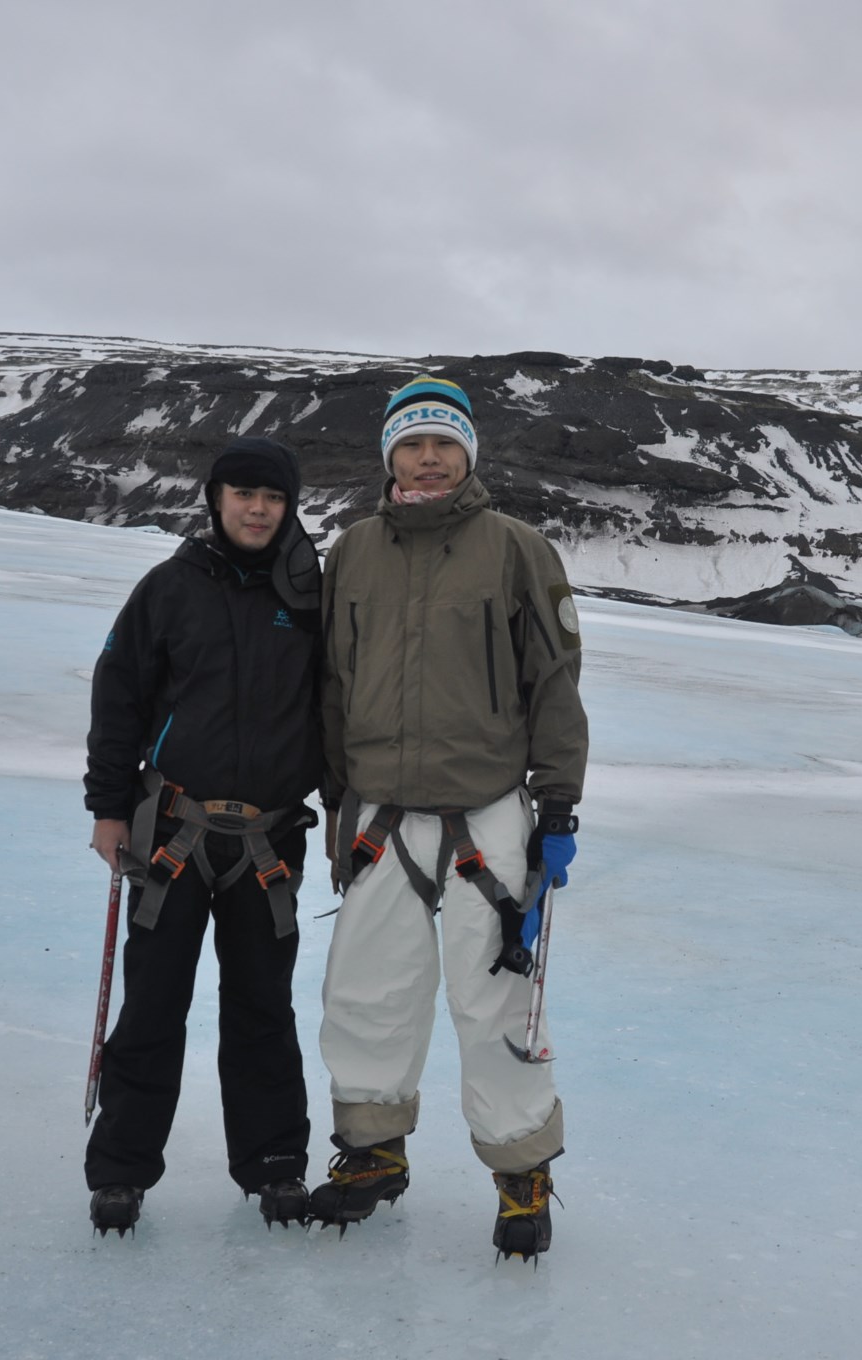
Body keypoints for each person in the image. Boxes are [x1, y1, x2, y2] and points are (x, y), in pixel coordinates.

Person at [311, 375, 587, 1260]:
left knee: (496, 1003)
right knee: (367, 994)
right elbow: (331, 685)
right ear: (388, 456)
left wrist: (559, 807)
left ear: (469, 453)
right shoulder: (352, 549)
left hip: (489, 812)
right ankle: (371, 1154)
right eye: (411, 444)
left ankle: (521, 1176)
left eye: (444, 443)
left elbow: (554, 681)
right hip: (379, 815)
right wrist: (331, 794)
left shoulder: (516, 549)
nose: (428, 459)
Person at [81, 436, 325, 1236]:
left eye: (273, 497)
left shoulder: (311, 597)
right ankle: (120, 1171)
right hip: (171, 835)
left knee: (263, 1009)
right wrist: (107, 808)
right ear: (216, 500)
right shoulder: (168, 589)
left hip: (269, 843)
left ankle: (275, 1166)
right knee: (152, 1004)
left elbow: (338, 715)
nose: (258, 509)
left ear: (290, 508)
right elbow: (118, 699)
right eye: (243, 493)